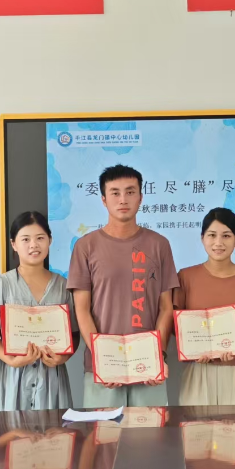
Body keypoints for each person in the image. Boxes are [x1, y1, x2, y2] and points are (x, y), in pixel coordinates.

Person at [68, 164, 179, 407]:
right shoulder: (85, 246)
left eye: (130, 192)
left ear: (141, 197)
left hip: (149, 369)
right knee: (104, 431)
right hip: (102, 370)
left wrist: (158, 355)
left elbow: (166, 308)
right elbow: (82, 310)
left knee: (151, 431)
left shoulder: (159, 245)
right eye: (115, 193)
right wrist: (101, 358)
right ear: (103, 199)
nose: (123, 199)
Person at [0, 211, 78, 411]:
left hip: (51, 378)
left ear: (50, 240)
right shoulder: (1, 284)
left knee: (53, 430)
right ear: (14, 244)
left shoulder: (64, 286)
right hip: (10, 378)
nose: (33, 245)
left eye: (40, 238)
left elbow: (74, 333)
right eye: (25, 239)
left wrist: (63, 358)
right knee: (10, 430)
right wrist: (10, 360)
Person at [174, 207, 235, 406]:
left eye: (226, 236)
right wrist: (195, 347)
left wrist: (232, 345)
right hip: (197, 369)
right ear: (202, 238)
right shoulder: (185, 277)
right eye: (212, 235)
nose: (218, 243)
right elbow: (175, 325)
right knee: (195, 424)